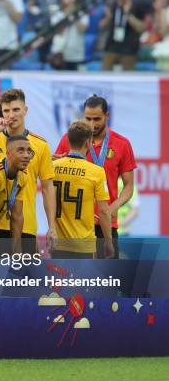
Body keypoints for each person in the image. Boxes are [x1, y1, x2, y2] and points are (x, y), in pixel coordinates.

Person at [0, 89, 57, 255]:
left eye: (16, 109)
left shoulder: (40, 145)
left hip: (24, 225)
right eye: (6, 111)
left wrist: (51, 225)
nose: (11, 115)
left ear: (25, 110)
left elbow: (47, 187)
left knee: (22, 279)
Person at [55, 95, 136, 258]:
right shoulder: (70, 139)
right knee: (70, 280)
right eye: (88, 118)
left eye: (97, 119)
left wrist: (113, 208)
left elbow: (129, 187)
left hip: (106, 224)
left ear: (107, 115)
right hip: (73, 226)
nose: (92, 125)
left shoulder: (122, 144)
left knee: (105, 279)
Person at [52, 121, 113, 259]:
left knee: (58, 280)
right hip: (83, 244)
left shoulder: (52, 167)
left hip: (57, 242)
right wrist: (108, 241)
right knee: (81, 281)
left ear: (68, 141)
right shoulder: (96, 172)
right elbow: (103, 211)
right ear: (88, 143)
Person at [0, 135, 32, 254]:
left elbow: (17, 216)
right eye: (21, 151)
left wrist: (17, 250)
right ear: (8, 153)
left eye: (29, 151)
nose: (26, 155)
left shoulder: (23, 176)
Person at [100, 0, 147, 71]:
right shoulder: (112, 5)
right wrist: (108, 17)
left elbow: (141, 28)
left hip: (129, 48)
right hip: (110, 46)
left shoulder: (138, 6)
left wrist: (127, 13)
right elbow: (101, 25)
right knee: (105, 74)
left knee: (128, 77)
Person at [48, 0, 88, 70]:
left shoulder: (82, 13)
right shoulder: (57, 14)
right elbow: (58, 31)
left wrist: (73, 15)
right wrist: (66, 15)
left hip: (76, 55)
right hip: (59, 54)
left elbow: (82, 29)